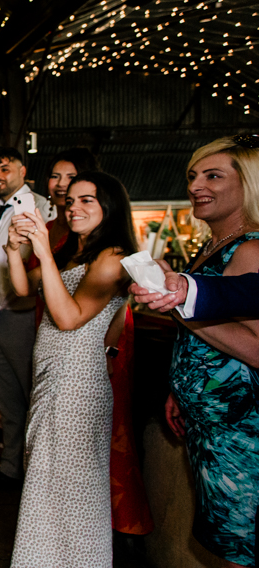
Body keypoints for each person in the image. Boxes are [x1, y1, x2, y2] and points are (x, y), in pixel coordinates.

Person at [5, 171, 136, 567]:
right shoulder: (76, 253)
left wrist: (43, 252)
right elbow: (24, 289)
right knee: (46, 480)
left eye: (87, 200)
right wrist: (15, 250)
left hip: (77, 381)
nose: (73, 207)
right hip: (53, 376)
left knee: (73, 487)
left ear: (109, 206)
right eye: (70, 201)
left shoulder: (113, 257)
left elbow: (68, 317)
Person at [161, 135, 259, 568]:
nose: (196, 184)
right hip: (211, 427)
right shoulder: (212, 247)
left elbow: (256, 349)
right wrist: (178, 391)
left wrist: (179, 302)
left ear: (249, 185)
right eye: (193, 176)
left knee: (239, 547)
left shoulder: (251, 249)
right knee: (222, 542)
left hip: (241, 432)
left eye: (213, 175)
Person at [0, 147, 52, 491]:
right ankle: (10, 469)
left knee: (30, 395)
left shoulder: (40, 207)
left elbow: (35, 268)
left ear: (22, 170)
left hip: (19, 315)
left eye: (4, 168)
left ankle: (36, 478)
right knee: (7, 400)